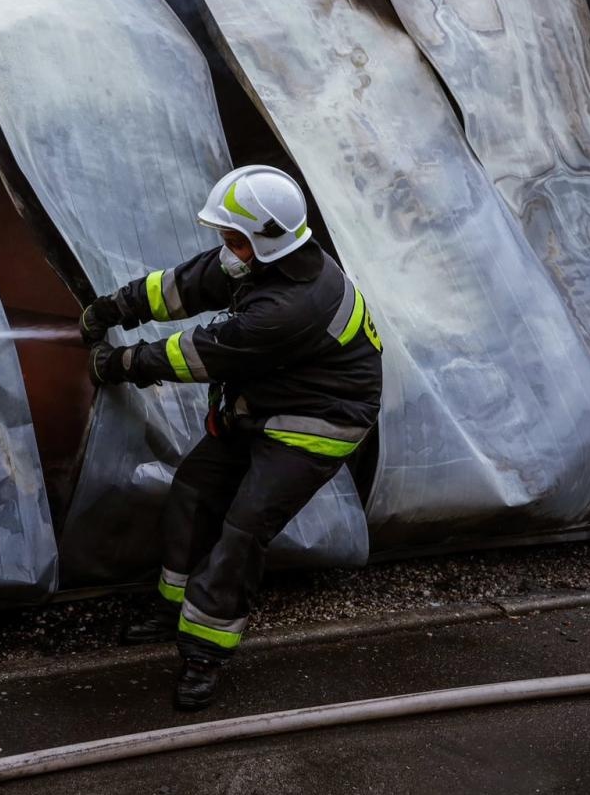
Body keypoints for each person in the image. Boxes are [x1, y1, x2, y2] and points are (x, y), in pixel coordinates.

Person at [82, 165, 383, 710]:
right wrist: (114, 307)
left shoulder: (291, 306)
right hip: (269, 402)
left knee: (244, 527)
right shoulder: (265, 263)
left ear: (263, 241)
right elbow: (186, 284)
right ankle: (171, 606)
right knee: (194, 489)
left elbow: (195, 353)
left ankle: (205, 653)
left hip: (321, 421)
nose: (223, 249)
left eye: (232, 239)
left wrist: (120, 362)